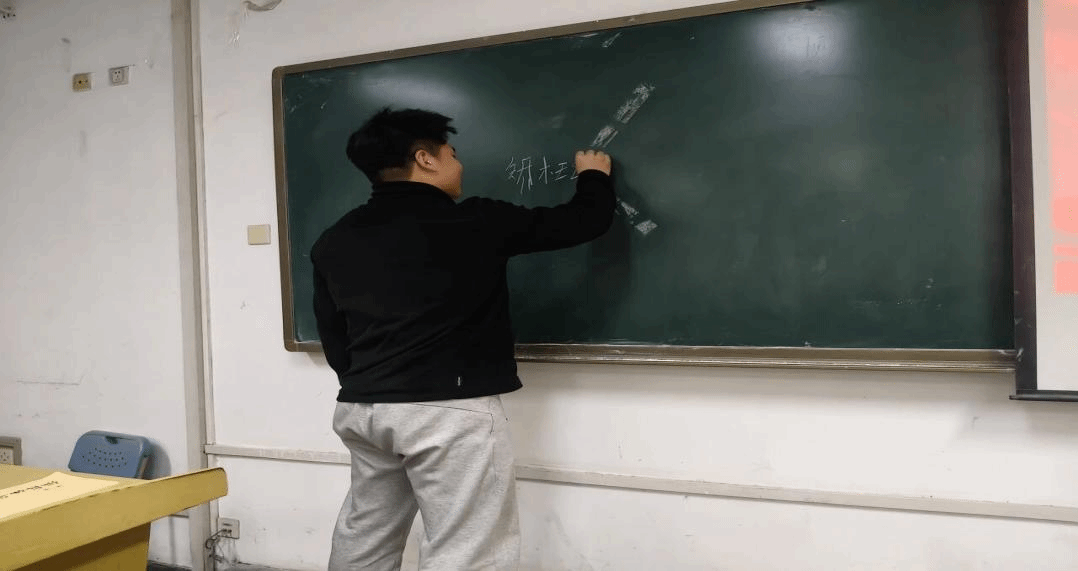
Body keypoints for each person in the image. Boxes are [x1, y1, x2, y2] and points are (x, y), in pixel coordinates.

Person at [311, 107, 615, 570]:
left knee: (366, 531)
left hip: (363, 408)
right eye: (452, 154)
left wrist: (370, 382)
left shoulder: (336, 238)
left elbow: (333, 333)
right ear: (425, 159)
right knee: (468, 548)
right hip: (446, 412)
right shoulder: (475, 221)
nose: (460, 165)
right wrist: (593, 176)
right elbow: (582, 222)